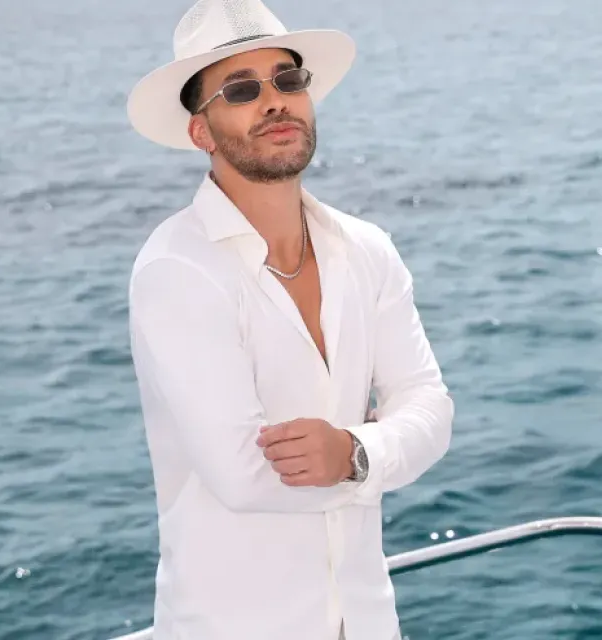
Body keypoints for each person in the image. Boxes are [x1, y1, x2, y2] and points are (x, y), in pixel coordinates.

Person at [124, 1, 453, 639]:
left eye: (288, 80)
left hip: (366, 622)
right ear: (201, 132)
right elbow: (243, 476)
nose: (274, 101)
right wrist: (383, 449)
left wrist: (352, 452)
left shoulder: (366, 249)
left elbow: (432, 408)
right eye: (241, 90)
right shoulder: (176, 270)